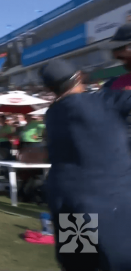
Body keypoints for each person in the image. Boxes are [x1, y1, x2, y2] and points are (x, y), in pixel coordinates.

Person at [40, 59, 131, 271]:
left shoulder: (52, 114)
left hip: (68, 202)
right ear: (79, 76)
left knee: (81, 265)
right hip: (108, 202)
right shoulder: (106, 100)